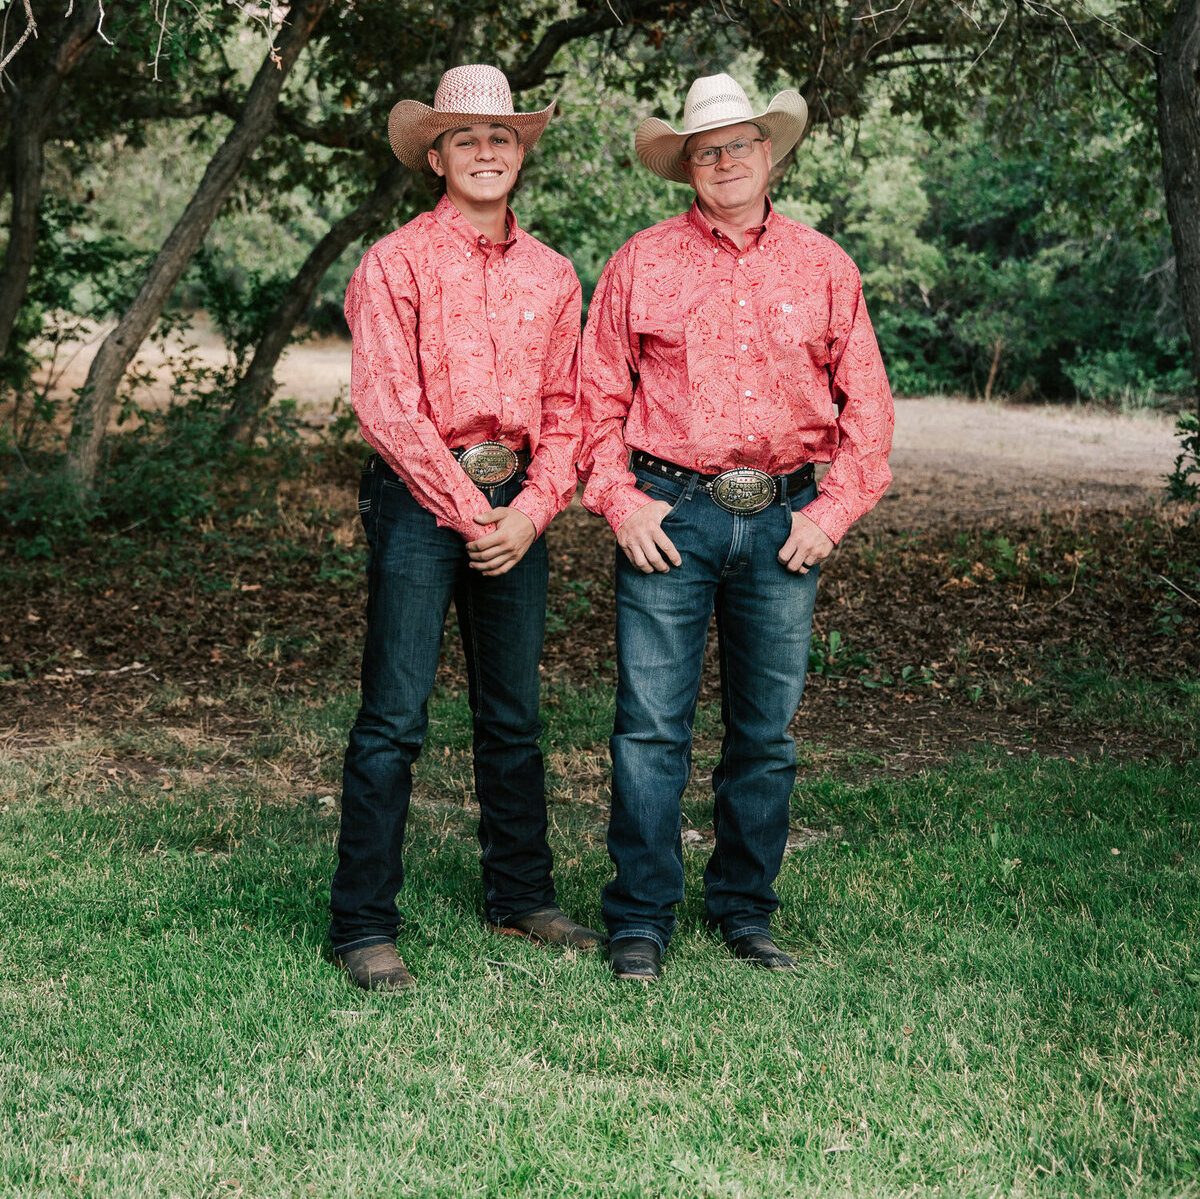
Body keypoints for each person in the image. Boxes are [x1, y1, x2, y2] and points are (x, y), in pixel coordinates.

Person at [579, 72, 894, 981]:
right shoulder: (640, 261)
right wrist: (619, 498)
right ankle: (639, 918)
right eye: (706, 149)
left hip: (787, 520)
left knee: (765, 733)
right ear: (687, 166)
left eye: (741, 144)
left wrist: (831, 513)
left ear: (771, 153)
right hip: (668, 515)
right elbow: (596, 396)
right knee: (649, 729)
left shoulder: (826, 266)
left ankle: (745, 912)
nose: (725, 160)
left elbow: (866, 407)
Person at [330, 63, 601, 991]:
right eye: (465, 139)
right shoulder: (395, 262)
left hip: (516, 502)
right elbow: (388, 406)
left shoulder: (556, 274)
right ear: (436, 156)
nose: (486, 151)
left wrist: (527, 514)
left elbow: (571, 410)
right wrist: (468, 509)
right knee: (394, 718)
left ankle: (521, 895)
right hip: (418, 497)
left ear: (519, 153)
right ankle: (364, 923)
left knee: (514, 715)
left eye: (502, 137)